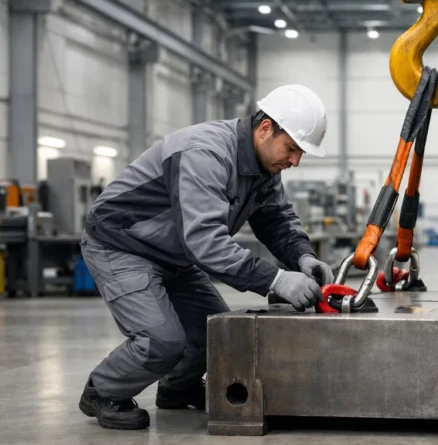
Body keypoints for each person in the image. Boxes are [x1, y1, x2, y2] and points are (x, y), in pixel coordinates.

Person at [77, 84, 335, 431]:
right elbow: (204, 242)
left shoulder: (264, 168)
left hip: (174, 254)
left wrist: (303, 257)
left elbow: (276, 220)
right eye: (291, 148)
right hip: (122, 245)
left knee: (214, 334)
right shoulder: (206, 153)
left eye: (300, 153)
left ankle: (177, 389)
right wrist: (276, 280)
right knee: (161, 341)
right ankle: (101, 390)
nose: (295, 160)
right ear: (265, 128)